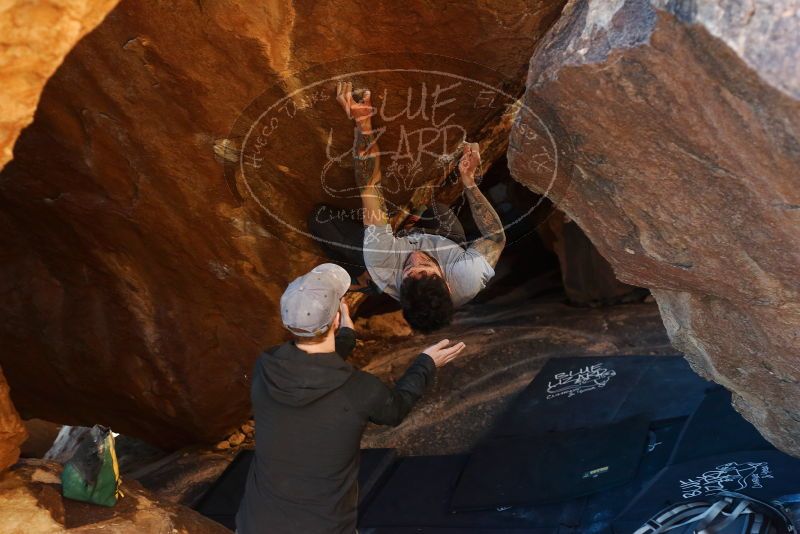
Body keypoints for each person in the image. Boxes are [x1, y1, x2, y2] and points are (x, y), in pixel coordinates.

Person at [235, 263, 465, 534]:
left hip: (255, 526)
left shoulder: (266, 368)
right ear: (333, 319)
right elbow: (395, 409)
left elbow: (311, 363)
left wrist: (346, 335)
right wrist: (426, 363)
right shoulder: (358, 389)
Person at [309, 82, 506, 334]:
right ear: (447, 284)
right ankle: (415, 222)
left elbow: (370, 186)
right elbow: (496, 237)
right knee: (441, 211)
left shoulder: (382, 261)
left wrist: (363, 125)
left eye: (409, 271)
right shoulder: (468, 277)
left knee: (321, 220)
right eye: (423, 267)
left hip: (386, 253)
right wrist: (469, 182)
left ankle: (367, 280)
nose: (415, 259)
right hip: (443, 241)